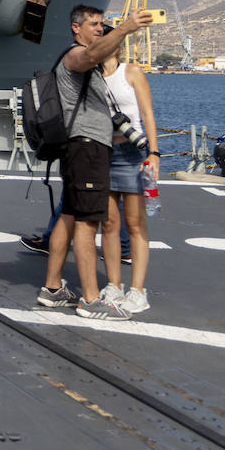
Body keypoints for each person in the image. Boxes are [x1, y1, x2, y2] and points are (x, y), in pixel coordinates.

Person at [36, 5, 152, 320]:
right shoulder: (75, 55)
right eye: (94, 24)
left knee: (70, 217)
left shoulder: (89, 58)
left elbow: (100, 55)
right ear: (76, 28)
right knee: (88, 223)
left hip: (82, 150)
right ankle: (90, 299)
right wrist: (125, 28)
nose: (100, 29)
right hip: (87, 149)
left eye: (102, 24)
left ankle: (52, 288)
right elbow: (91, 56)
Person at [97, 34, 159, 314]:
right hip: (104, 153)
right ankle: (114, 284)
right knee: (108, 224)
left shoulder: (131, 72)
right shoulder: (92, 76)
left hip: (132, 154)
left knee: (135, 223)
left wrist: (154, 154)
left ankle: (138, 290)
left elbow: (147, 113)